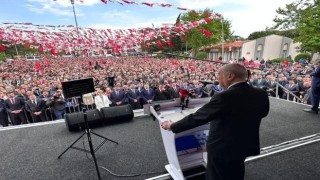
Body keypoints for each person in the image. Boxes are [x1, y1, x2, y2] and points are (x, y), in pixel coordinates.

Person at [161, 64, 270, 180]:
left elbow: (198, 117)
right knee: (236, 172)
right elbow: (263, 112)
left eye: (219, 75)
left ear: (230, 76)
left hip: (222, 148)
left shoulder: (224, 97)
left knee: (216, 175)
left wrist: (172, 125)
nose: (217, 79)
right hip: (244, 145)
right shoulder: (261, 93)